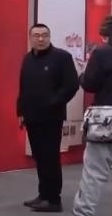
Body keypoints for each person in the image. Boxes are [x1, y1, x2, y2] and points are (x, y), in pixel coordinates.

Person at [17, 23, 79, 212]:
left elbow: (71, 85)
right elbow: (23, 87)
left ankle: (53, 200)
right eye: (36, 35)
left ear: (49, 37)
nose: (41, 39)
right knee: (39, 157)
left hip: (51, 118)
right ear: (30, 38)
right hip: (31, 117)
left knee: (50, 158)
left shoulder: (62, 57)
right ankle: (43, 194)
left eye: (44, 35)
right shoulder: (28, 59)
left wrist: (53, 102)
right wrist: (20, 111)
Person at [72, 16, 112, 216]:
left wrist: (82, 73)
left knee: (94, 173)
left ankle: (84, 212)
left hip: (105, 120)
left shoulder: (102, 53)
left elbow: (90, 84)